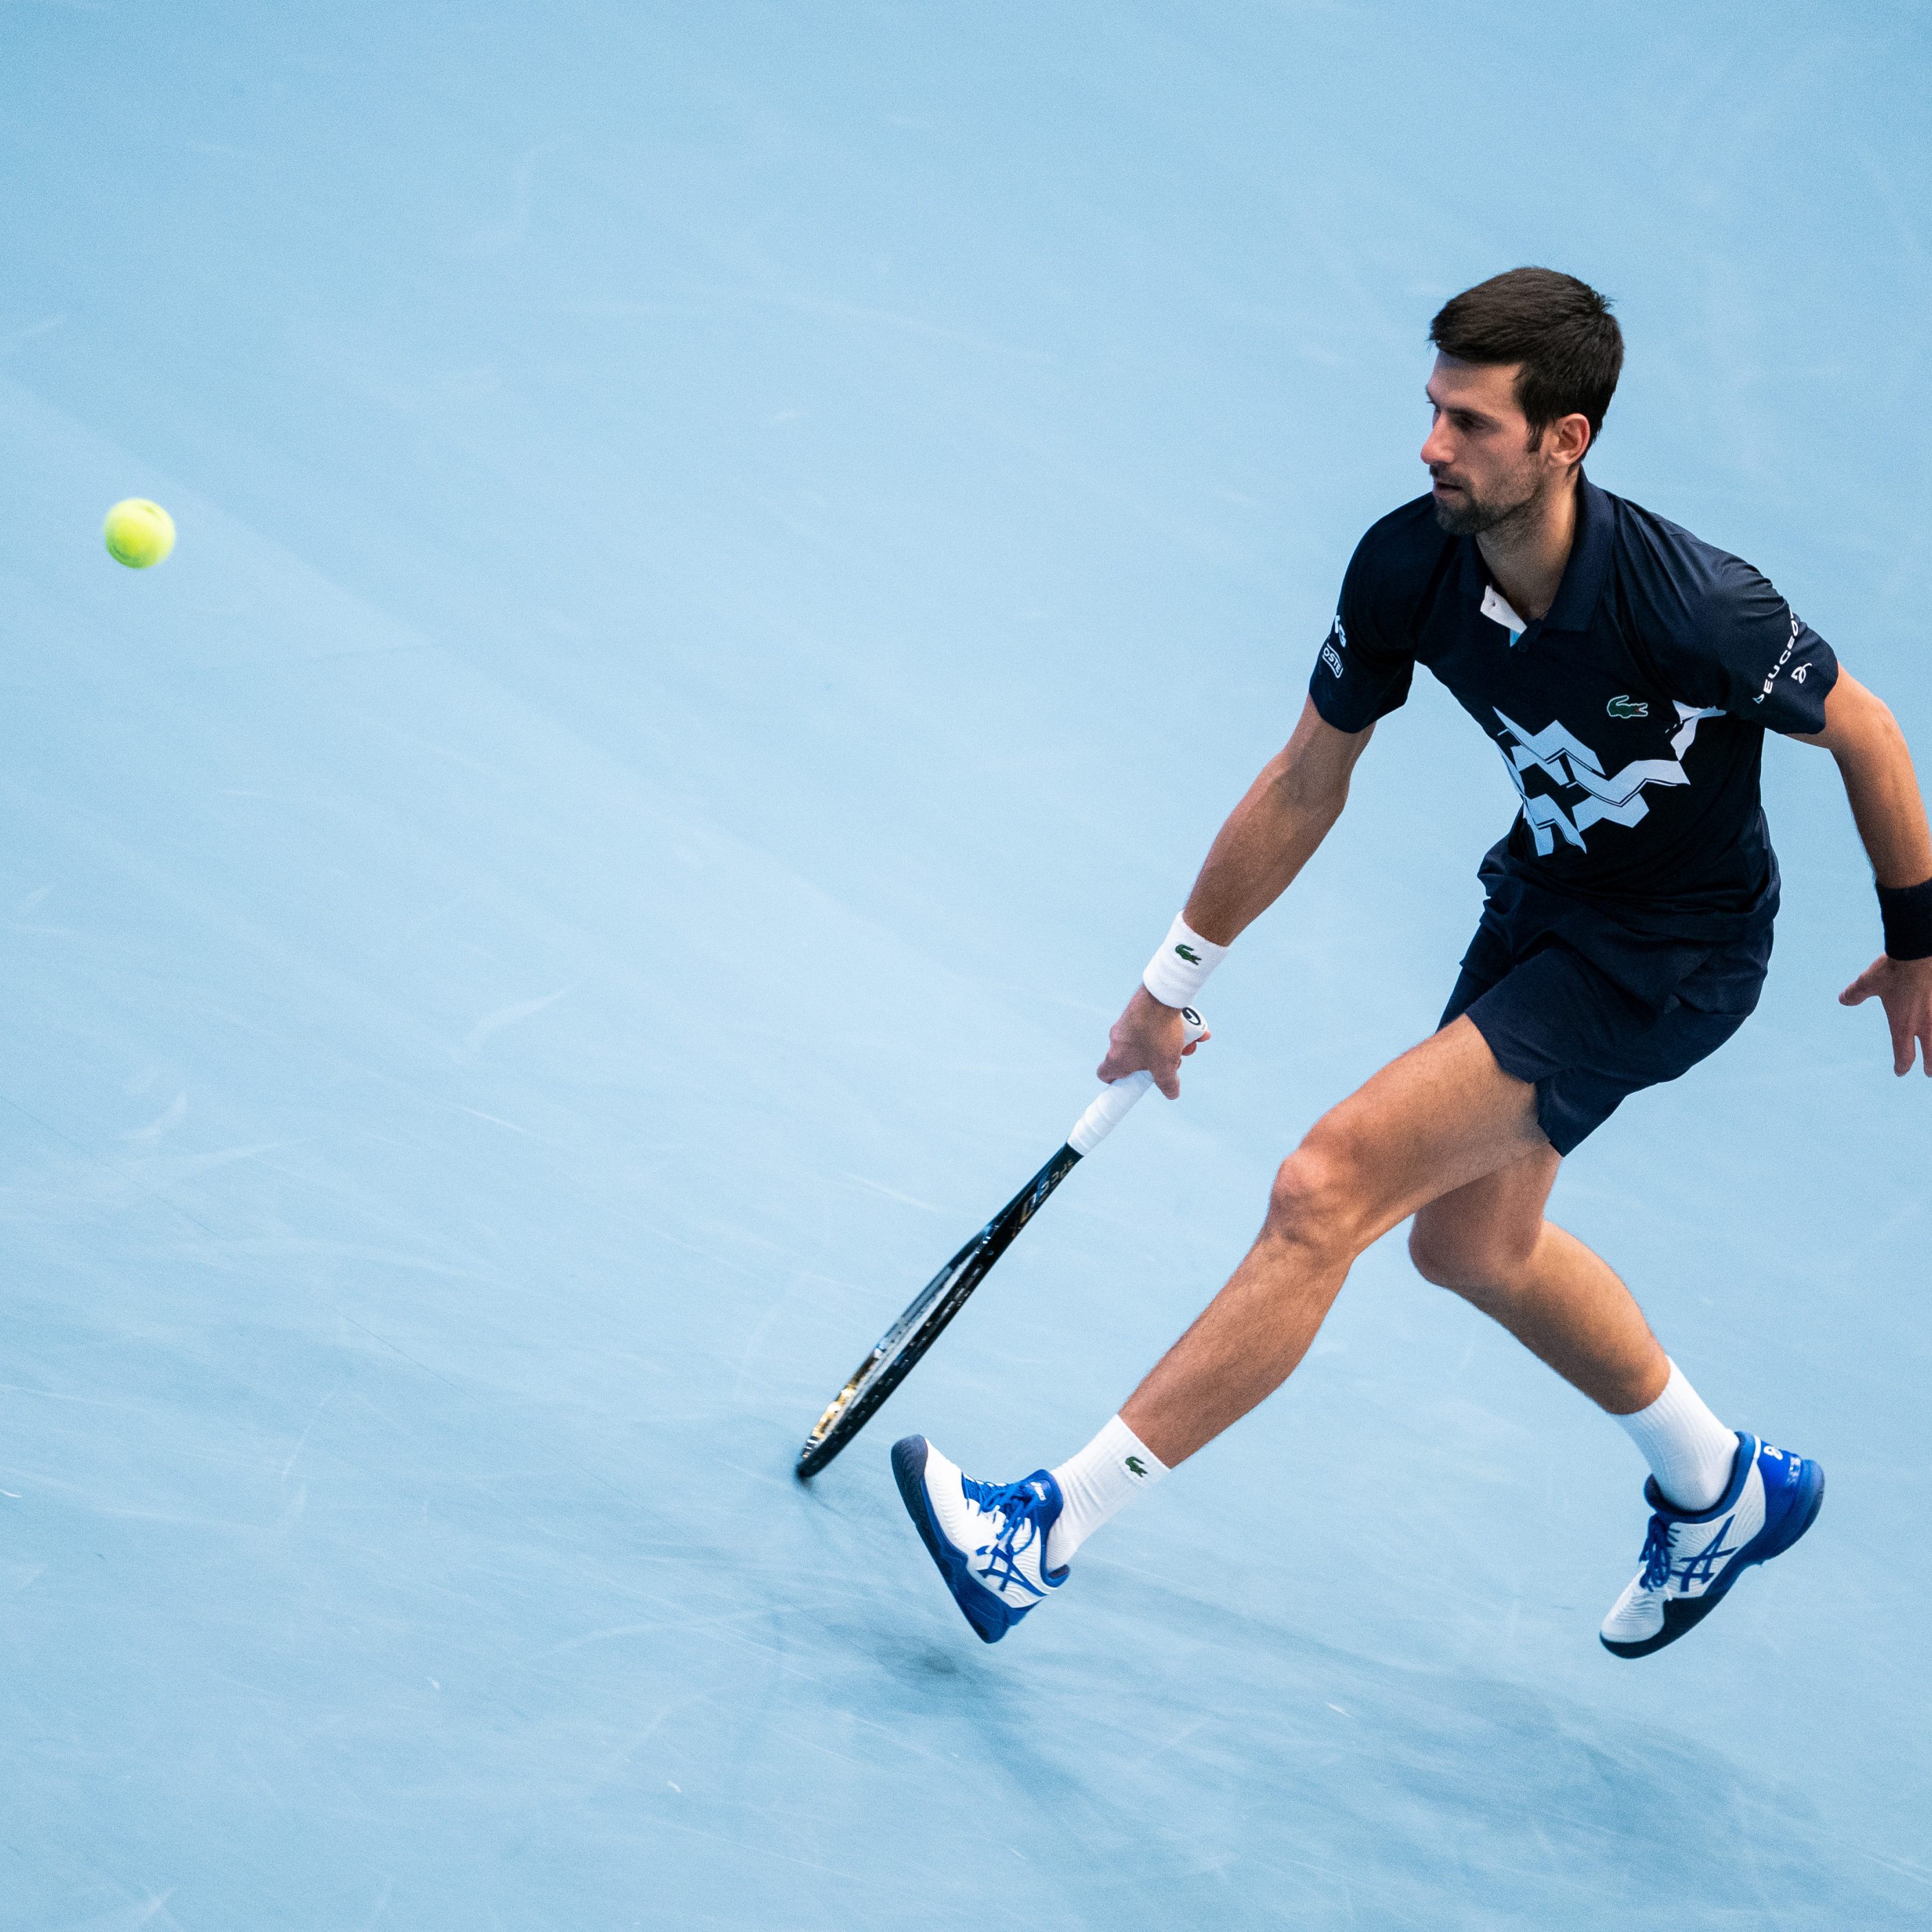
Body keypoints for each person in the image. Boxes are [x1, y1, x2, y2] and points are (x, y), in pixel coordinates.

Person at [890, 266, 1932, 1659]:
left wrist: (1917, 944)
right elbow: (1306, 782)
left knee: (1327, 1186)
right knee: (1469, 1245)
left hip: (1670, 957)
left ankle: (1044, 1530)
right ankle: (1722, 1484)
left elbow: (1864, 729)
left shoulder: (1693, 604)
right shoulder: (1407, 563)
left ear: (1566, 440)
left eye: (1473, 423)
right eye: (1432, 409)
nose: (1434, 445)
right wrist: (1167, 985)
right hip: (1541, 910)